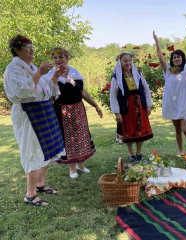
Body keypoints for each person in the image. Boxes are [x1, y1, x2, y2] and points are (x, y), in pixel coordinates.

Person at [4, 35, 65, 206]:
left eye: (32, 46)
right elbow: (22, 92)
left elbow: (46, 88)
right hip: (28, 112)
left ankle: (40, 185)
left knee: (47, 149)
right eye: (26, 46)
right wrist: (39, 73)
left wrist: (55, 75)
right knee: (33, 150)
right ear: (16, 50)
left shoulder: (29, 66)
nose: (31, 49)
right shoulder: (13, 69)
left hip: (42, 110)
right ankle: (30, 194)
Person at [45, 47, 103, 178]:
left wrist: (96, 106)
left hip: (78, 110)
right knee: (69, 138)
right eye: (55, 57)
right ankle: (72, 168)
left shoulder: (75, 73)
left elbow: (83, 92)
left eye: (61, 57)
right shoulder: (50, 76)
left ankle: (80, 164)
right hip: (62, 111)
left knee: (80, 136)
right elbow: (51, 97)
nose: (58, 60)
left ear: (67, 59)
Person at [153, 26, 186, 157]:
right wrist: (157, 42)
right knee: (177, 129)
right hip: (172, 104)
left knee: (185, 128)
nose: (176, 59)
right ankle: (180, 150)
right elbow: (161, 58)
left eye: (178, 57)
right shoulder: (169, 71)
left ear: (182, 59)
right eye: (174, 58)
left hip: (184, 104)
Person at [110, 52, 153, 163]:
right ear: (120, 62)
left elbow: (146, 89)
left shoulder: (137, 73)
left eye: (129, 60)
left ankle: (139, 152)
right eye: (125, 61)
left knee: (140, 129)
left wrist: (148, 105)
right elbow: (113, 96)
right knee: (128, 130)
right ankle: (130, 152)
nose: (128, 63)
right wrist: (116, 112)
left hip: (139, 106)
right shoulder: (116, 77)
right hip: (126, 108)